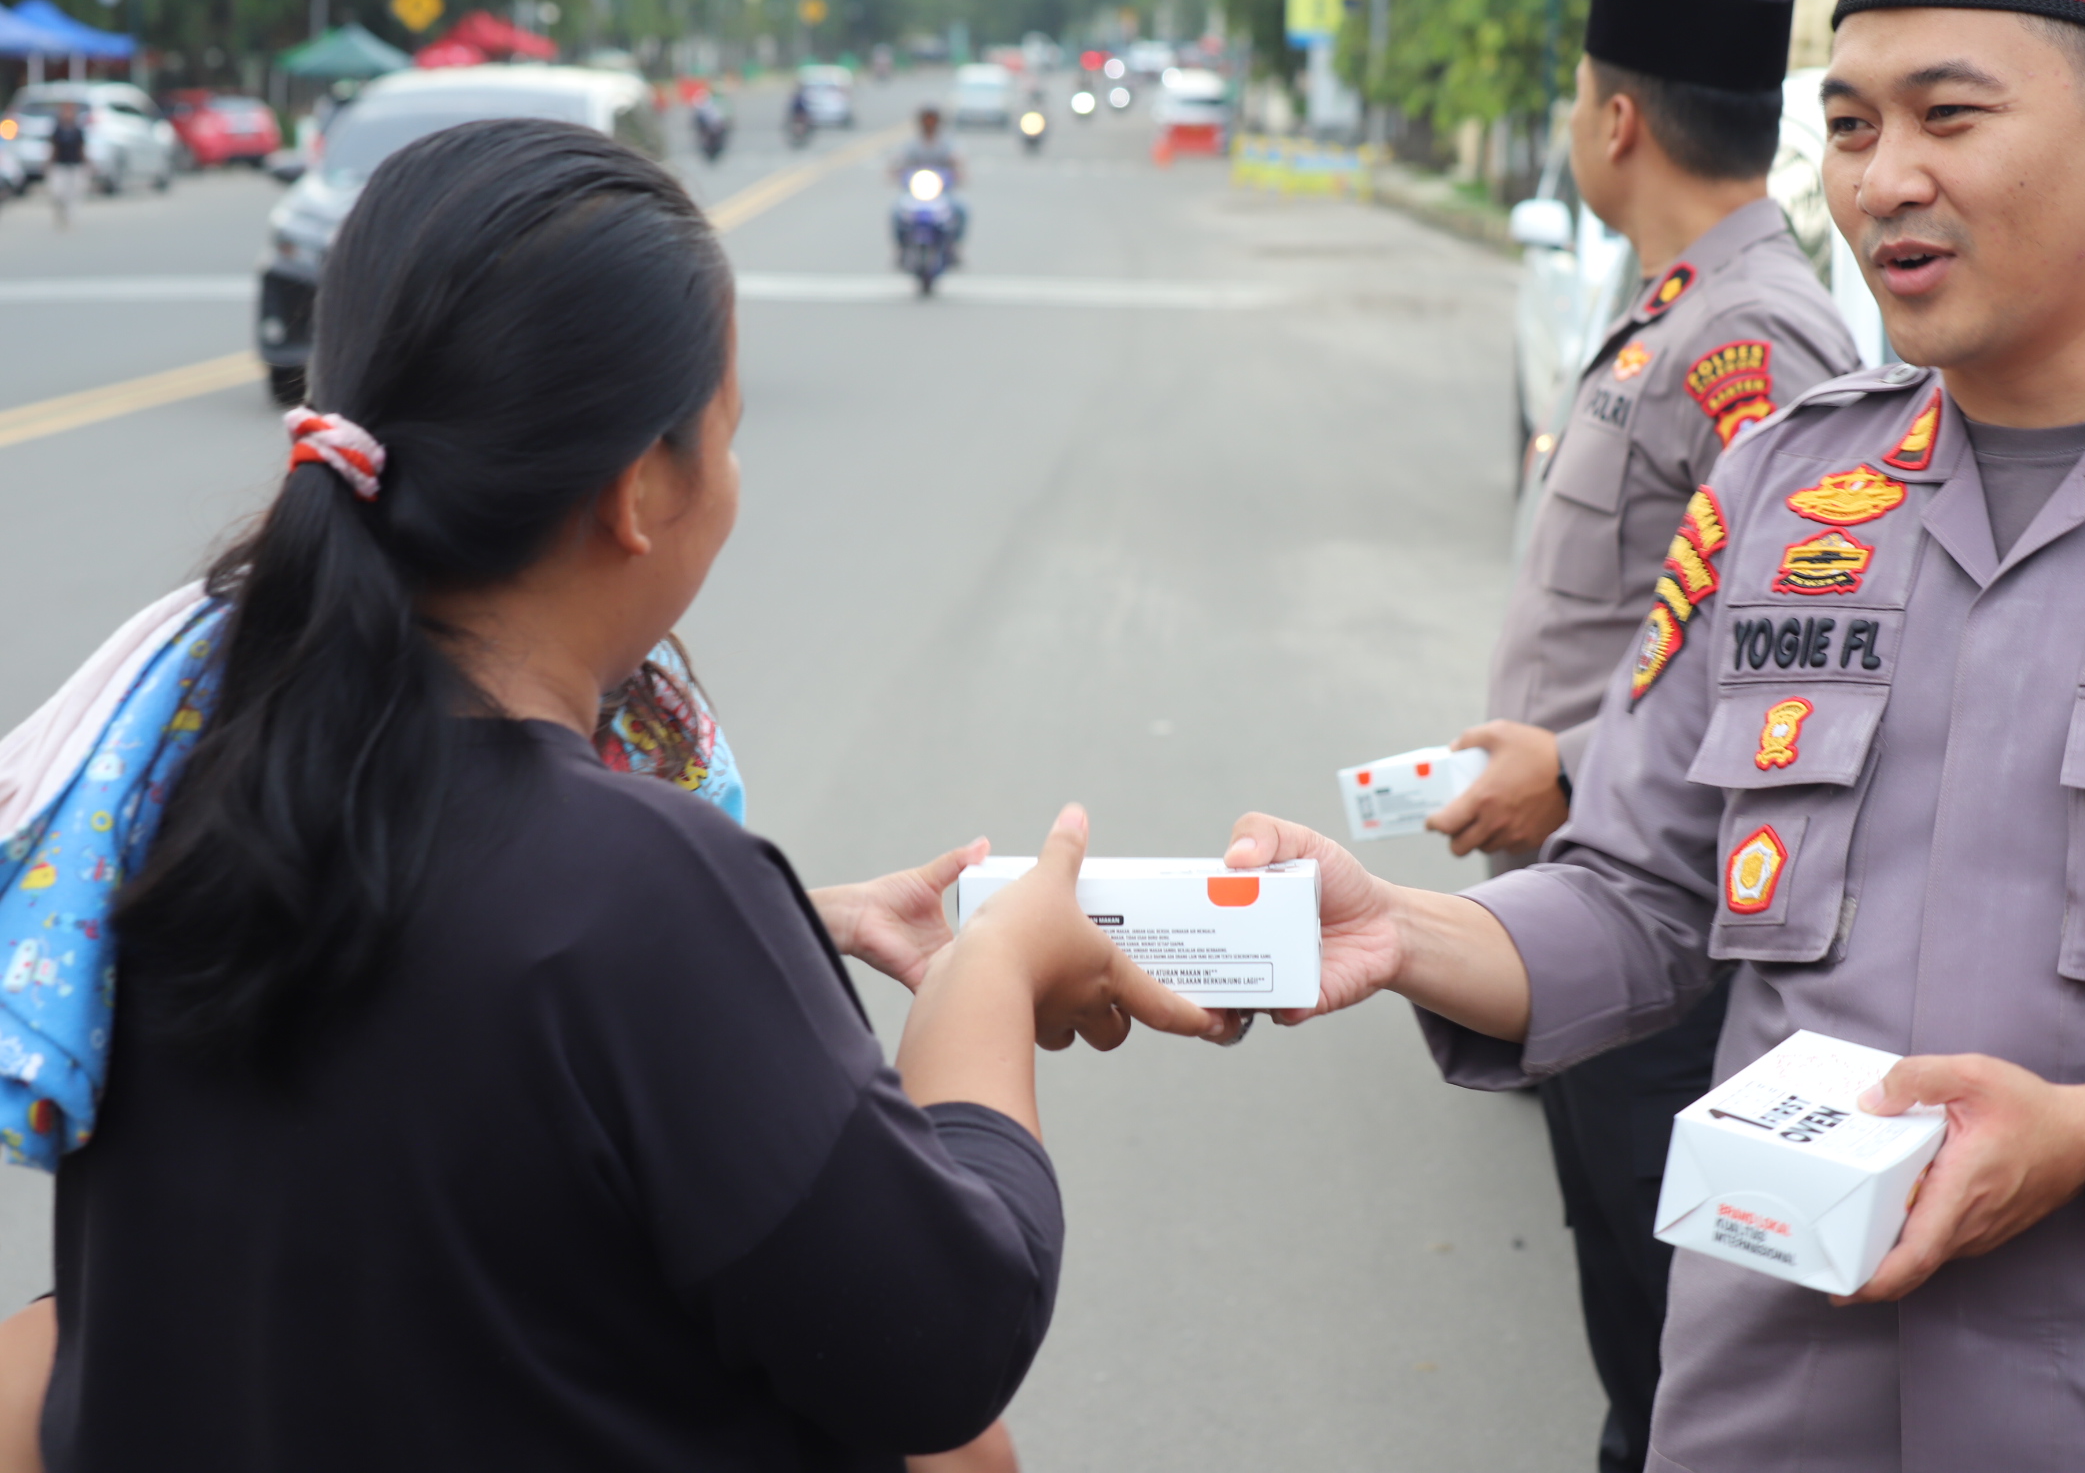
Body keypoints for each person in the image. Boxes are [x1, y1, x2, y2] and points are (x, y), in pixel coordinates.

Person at [1223, 0, 2085, 1465]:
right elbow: (1638, 897)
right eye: (1848, 127)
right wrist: (1399, 931)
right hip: (1770, 1412)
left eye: (1947, 117)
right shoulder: (1785, 490)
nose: (1883, 180)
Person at [25, 118, 1213, 1470]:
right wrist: (993, 975)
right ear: (641, 489)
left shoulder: (165, 819)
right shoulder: (636, 895)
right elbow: (941, 1346)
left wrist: (769, 944)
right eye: (729, 434)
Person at [1420, 0, 1859, 1473]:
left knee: (1686, 1365)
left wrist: (1572, 768)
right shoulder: (1680, 305)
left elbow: (1796, 648)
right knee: (1631, 1325)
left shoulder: (1759, 339)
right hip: (1582, 894)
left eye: (1577, 101)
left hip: (1660, 932)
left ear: (1617, 121)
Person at [891, 104, 968, 260]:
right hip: (915, 193)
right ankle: (901, 247)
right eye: (926, 119)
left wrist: (958, 172)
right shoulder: (911, 144)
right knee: (896, 212)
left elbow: (958, 162)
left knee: (961, 210)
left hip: (941, 193)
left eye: (932, 119)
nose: (929, 123)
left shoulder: (947, 143)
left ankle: (954, 246)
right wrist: (895, 172)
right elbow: (898, 163)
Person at [46, 105, 85, 230]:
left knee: (73, 194)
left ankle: (69, 218)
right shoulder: (57, 130)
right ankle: (59, 213)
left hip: (74, 165)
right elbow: (54, 148)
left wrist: (88, 164)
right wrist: (48, 163)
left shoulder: (78, 131)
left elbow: (81, 149)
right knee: (57, 192)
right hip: (59, 165)